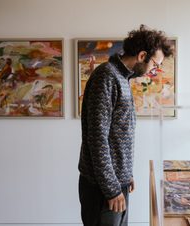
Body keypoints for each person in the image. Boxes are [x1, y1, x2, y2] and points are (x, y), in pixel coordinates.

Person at [78, 24, 174, 226]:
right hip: (102, 189)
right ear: (141, 56)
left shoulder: (122, 78)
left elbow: (119, 133)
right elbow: (98, 139)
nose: (155, 71)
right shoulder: (106, 77)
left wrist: (126, 174)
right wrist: (112, 188)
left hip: (114, 182)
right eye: (155, 65)